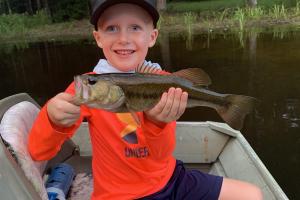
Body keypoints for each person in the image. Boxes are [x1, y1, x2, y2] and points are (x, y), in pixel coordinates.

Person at [28, 0, 263, 199]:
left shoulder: (166, 81)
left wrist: (157, 124)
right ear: (97, 38)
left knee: (253, 194)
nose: (123, 38)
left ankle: (224, 102)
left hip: (171, 180)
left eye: (135, 27)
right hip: (117, 194)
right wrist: (53, 120)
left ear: (152, 37)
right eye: (111, 28)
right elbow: (39, 152)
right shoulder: (87, 87)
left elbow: (159, 153)